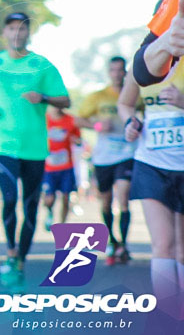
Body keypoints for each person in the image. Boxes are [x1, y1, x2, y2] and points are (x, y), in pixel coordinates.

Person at [0, 11, 70, 289]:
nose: (16, 33)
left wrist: (43, 97)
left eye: (22, 29)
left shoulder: (42, 65)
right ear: (4, 33)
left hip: (34, 147)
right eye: (11, 29)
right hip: (2, 143)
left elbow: (65, 100)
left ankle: (20, 260)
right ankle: (10, 252)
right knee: (9, 199)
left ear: (28, 33)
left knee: (30, 206)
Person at [119, 58, 184, 313]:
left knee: (181, 250)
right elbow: (125, 104)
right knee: (163, 243)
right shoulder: (143, 64)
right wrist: (130, 123)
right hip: (151, 163)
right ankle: (168, 314)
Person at [78, 56, 140, 264]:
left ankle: (123, 244)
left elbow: (146, 112)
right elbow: (78, 119)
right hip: (103, 157)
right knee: (105, 203)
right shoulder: (98, 97)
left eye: (121, 70)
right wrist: (97, 125)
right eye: (113, 70)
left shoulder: (134, 93)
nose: (117, 74)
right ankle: (112, 241)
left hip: (126, 153)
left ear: (125, 72)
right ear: (109, 72)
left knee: (123, 198)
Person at [42, 104, 81, 230]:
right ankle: (49, 212)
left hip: (66, 167)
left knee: (66, 198)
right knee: (49, 199)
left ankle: (62, 225)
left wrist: (77, 141)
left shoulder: (71, 120)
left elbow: (79, 140)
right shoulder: (44, 120)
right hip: (48, 168)